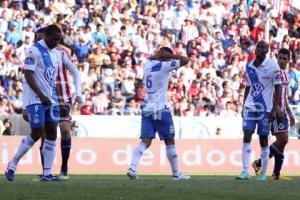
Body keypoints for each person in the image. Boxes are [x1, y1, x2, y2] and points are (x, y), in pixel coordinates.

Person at [5, 24, 63, 182]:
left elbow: (51, 79)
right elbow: (28, 76)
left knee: (51, 132)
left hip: (49, 99)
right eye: (55, 39)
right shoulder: (34, 51)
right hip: (35, 99)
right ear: (47, 36)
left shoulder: (56, 53)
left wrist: (55, 98)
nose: (57, 42)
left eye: (59, 40)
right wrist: (40, 96)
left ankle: (47, 173)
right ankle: (13, 163)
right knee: (37, 132)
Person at [23, 26, 82, 180]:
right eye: (37, 39)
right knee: (45, 134)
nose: (40, 41)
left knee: (64, 129)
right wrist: (25, 106)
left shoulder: (60, 53)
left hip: (62, 97)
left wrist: (79, 93)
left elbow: (75, 72)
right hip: (42, 97)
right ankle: (46, 172)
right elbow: (27, 80)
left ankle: (64, 166)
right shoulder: (34, 52)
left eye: (41, 38)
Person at [126, 47, 190, 180]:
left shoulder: (148, 65)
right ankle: (176, 174)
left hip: (147, 109)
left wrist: (161, 55)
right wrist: (173, 56)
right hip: (161, 109)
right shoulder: (165, 65)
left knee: (145, 141)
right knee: (169, 141)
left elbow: (152, 59)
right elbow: (185, 60)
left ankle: (132, 168)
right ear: (166, 56)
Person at [236, 41, 282, 181]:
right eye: (259, 47)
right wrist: (244, 106)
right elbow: (248, 87)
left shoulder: (273, 66)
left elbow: (278, 87)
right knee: (247, 135)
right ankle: (245, 172)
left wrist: (274, 109)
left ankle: (263, 173)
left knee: (263, 139)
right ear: (255, 49)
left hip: (265, 108)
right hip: (251, 107)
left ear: (267, 50)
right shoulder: (249, 65)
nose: (260, 49)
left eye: (264, 47)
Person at [252, 48, 296, 180]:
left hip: (282, 112)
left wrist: (291, 114)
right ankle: (258, 163)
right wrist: (276, 108)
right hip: (274, 112)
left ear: (289, 60)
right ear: (277, 58)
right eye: (280, 58)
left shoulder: (286, 75)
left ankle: (276, 174)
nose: (282, 61)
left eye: (285, 59)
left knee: (281, 144)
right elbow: (270, 93)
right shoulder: (273, 73)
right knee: (283, 140)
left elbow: (285, 98)